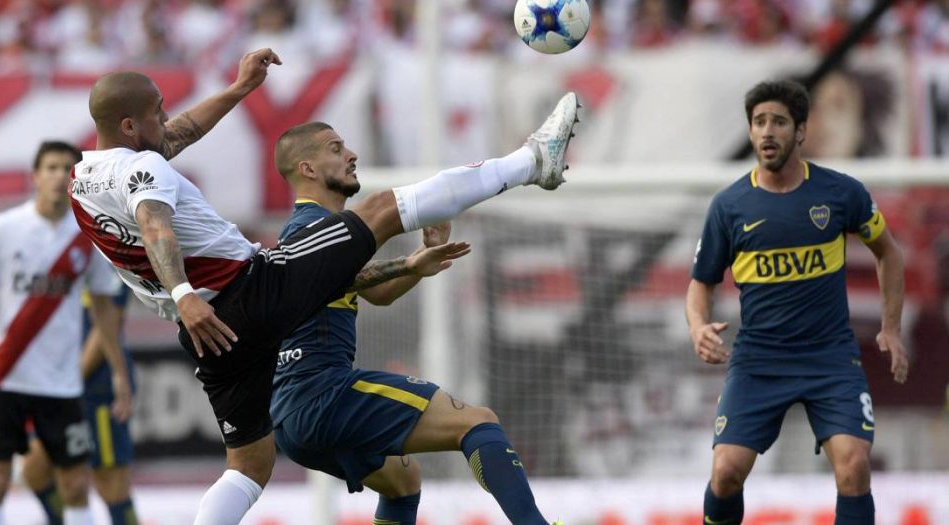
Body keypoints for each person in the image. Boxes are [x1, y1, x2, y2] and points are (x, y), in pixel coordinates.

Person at [69, 47, 579, 525]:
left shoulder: (84, 183)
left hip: (212, 334)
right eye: (158, 111)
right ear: (130, 125)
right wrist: (182, 292)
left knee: (250, 465)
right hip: (247, 294)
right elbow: (155, 224)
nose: (167, 118)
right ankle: (531, 162)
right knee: (382, 210)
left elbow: (172, 139)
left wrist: (239, 88)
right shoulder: (146, 169)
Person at [269, 121, 557, 524]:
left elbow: (377, 292)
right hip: (322, 394)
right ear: (308, 169)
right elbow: (352, 273)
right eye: (335, 149)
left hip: (291, 414)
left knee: (403, 479)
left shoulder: (307, 232)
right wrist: (408, 263)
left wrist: (417, 261)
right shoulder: (315, 229)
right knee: (477, 422)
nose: (351, 155)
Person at [686, 79, 908, 525]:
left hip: (829, 358)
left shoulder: (840, 193)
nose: (768, 131)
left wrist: (891, 327)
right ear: (750, 131)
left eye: (779, 122)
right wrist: (698, 326)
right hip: (759, 361)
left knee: (854, 466)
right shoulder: (729, 206)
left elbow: (889, 253)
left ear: (802, 130)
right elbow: (701, 282)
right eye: (759, 122)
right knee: (725, 473)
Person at [0, 141, 132, 525]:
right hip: (7, 375)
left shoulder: (89, 235)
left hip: (62, 383)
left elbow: (104, 309)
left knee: (75, 484)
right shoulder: (4, 228)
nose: (57, 175)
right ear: (35, 176)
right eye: (50, 167)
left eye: (66, 168)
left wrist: (119, 373)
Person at [21, 286, 138, 525]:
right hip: (54, 381)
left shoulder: (104, 263)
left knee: (110, 480)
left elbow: (108, 321)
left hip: (97, 387)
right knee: (35, 467)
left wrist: (72, 380)